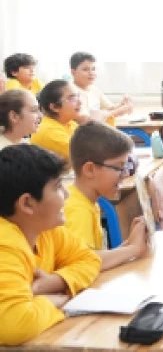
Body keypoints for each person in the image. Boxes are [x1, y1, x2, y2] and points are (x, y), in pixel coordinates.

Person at [0, 144, 101, 345]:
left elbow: (89, 259)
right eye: (57, 187)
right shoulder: (5, 241)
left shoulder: (45, 228)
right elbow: (14, 325)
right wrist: (51, 301)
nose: (67, 194)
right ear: (27, 203)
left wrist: (56, 281)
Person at [63, 121, 149, 271]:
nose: (125, 174)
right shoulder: (77, 210)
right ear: (90, 170)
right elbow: (83, 263)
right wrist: (133, 249)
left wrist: (130, 243)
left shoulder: (87, 201)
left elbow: (93, 256)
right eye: (119, 167)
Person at [70, 52, 133, 125]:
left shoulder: (94, 89)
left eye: (93, 69)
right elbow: (86, 121)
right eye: (85, 69)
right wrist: (117, 112)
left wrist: (122, 105)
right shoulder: (71, 93)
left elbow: (109, 108)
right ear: (73, 72)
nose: (91, 73)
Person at [30, 80, 82, 163]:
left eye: (79, 96)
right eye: (73, 99)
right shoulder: (49, 131)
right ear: (55, 107)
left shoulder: (69, 123)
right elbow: (89, 156)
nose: (80, 102)